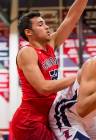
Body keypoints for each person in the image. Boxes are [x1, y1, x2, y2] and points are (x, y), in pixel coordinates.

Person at [11, 0, 88, 140]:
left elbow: (72, 17)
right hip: (29, 120)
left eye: (45, 23)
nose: (47, 27)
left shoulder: (50, 44)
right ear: (29, 32)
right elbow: (44, 88)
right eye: (40, 24)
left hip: (47, 116)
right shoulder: (27, 52)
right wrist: (79, 76)